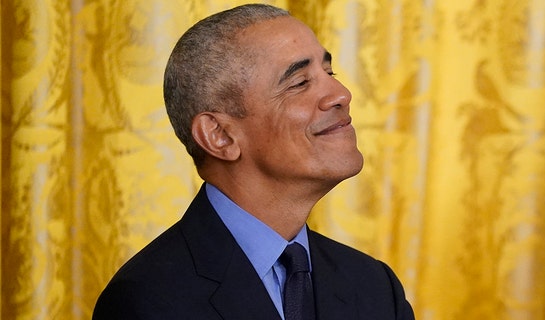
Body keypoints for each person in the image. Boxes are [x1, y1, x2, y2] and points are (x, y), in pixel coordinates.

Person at [93, 3, 415, 320]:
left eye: (329, 71)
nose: (341, 94)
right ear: (220, 135)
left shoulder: (374, 287)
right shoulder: (146, 302)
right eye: (300, 82)